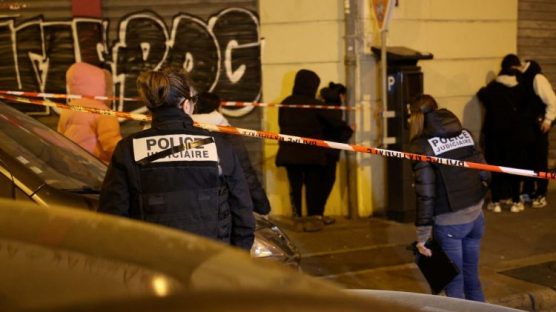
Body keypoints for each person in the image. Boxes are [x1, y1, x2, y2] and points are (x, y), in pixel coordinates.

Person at [99, 67, 255, 251]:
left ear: (150, 106)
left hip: (152, 265)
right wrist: (236, 258)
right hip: (212, 263)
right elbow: (242, 211)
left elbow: (112, 216)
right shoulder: (217, 146)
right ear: (185, 104)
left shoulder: (128, 149)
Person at [409, 94, 490, 301]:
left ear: (414, 117)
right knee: (472, 279)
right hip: (475, 217)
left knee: (454, 286)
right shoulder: (465, 134)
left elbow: (425, 195)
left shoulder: (421, 146)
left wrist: (423, 236)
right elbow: (485, 173)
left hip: (450, 223)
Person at [275, 69, 352, 232]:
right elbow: (334, 122)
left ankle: (297, 219)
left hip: (289, 152)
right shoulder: (315, 104)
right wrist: (348, 128)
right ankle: (312, 221)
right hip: (311, 154)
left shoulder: (285, 102)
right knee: (312, 187)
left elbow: (281, 124)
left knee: (294, 187)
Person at [192, 91, 272, 216]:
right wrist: (262, 205)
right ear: (218, 109)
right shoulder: (227, 136)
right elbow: (246, 173)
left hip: (189, 208)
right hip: (224, 209)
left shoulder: (182, 133)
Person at [476, 54, 529, 213]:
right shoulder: (521, 88)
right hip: (515, 136)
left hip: (495, 135)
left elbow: (481, 95)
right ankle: (515, 200)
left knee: (496, 167)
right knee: (515, 168)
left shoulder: (492, 88)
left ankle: (496, 201)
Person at [57, 62, 121, 163]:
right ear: (101, 87)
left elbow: (60, 137)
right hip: (95, 167)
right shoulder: (103, 112)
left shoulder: (68, 108)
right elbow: (111, 145)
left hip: (69, 162)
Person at [518, 60, 556, 208]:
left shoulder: (537, 78)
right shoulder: (524, 77)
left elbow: (552, 100)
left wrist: (548, 120)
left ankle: (541, 193)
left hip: (539, 126)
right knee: (527, 159)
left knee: (539, 160)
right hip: (528, 127)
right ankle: (528, 191)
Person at [318, 82, 353, 225]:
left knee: (320, 183)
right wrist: (350, 129)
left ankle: (318, 214)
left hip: (320, 152)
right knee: (326, 182)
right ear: (340, 95)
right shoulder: (335, 110)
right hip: (329, 153)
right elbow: (338, 134)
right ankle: (319, 214)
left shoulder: (324, 106)